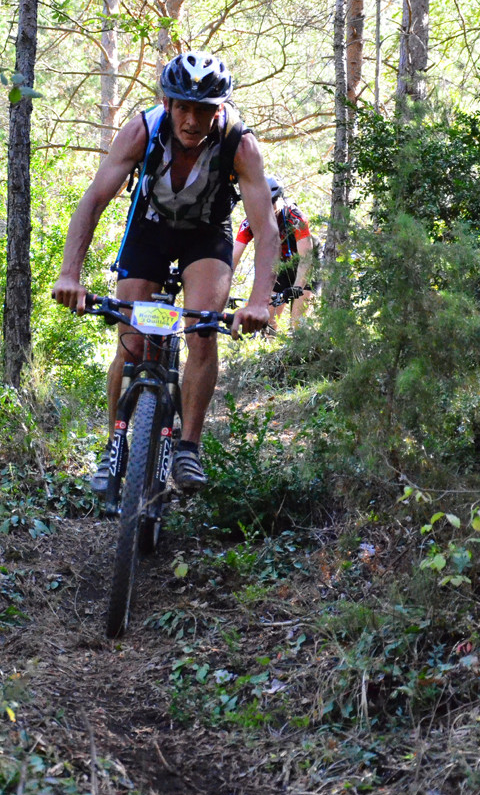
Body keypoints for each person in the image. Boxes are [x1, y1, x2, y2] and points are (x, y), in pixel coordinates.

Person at [52, 51, 278, 492]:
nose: (192, 121)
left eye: (204, 110)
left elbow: (266, 228)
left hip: (206, 233)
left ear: (220, 109)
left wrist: (258, 303)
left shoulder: (239, 144)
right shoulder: (142, 129)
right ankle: (114, 446)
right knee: (132, 341)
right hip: (149, 228)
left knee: (202, 332)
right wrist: (69, 275)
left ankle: (188, 449)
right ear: (167, 103)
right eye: (183, 108)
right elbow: (93, 201)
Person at [233, 176, 316, 328]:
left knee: (297, 324)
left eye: (269, 204)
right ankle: (270, 341)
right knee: (266, 322)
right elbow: (232, 258)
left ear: (278, 200)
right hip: (281, 266)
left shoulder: (295, 217)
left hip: (307, 265)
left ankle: (298, 338)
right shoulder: (250, 222)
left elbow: (306, 259)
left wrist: (297, 287)